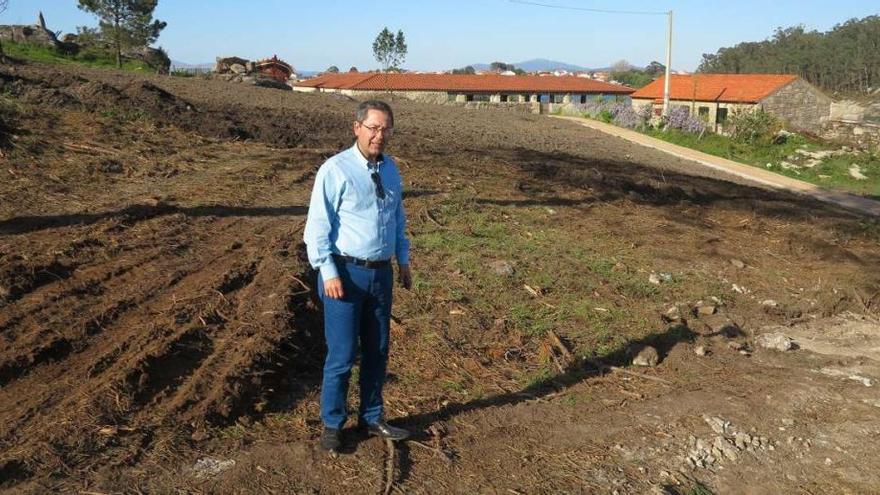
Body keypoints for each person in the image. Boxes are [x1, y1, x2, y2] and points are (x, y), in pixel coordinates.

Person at [303, 100, 412, 453]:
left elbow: (397, 219)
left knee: (378, 349)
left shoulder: (392, 169)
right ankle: (333, 424)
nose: (379, 135)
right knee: (343, 354)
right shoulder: (335, 170)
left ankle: (372, 416)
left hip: (380, 275)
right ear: (357, 128)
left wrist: (404, 260)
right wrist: (328, 270)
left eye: (385, 129)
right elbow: (316, 228)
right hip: (344, 275)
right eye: (373, 128)